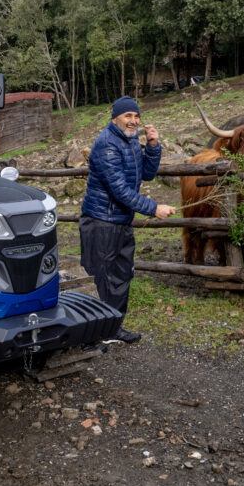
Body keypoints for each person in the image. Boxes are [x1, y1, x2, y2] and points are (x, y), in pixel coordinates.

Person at [79, 95, 176, 344]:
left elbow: (146, 174)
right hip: (101, 221)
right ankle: (91, 336)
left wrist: (153, 146)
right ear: (115, 118)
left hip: (121, 221)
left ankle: (112, 329)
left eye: (136, 116)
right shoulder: (107, 144)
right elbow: (119, 191)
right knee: (99, 277)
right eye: (127, 116)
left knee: (122, 275)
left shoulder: (131, 141)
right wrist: (154, 208)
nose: (133, 121)